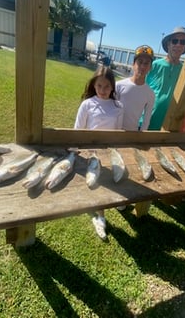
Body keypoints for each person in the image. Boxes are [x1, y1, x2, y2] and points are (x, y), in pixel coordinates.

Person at [74, 65, 123, 240]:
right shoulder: (87, 104)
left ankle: (116, 201)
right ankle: (100, 217)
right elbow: (78, 130)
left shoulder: (118, 106)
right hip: (91, 151)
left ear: (113, 87)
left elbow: (118, 132)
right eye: (99, 86)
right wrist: (76, 152)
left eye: (107, 86)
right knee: (99, 183)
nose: (103, 90)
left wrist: (114, 150)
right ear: (94, 85)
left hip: (109, 150)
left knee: (114, 180)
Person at [147, 26, 185, 130]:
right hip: (146, 119)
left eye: (182, 42)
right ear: (168, 44)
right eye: (175, 41)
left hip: (168, 122)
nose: (178, 45)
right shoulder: (154, 65)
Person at [115, 45, 155, 131]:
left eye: (146, 63)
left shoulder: (150, 94)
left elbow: (146, 120)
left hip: (132, 133)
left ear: (150, 67)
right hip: (114, 130)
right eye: (140, 62)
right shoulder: (118, 85)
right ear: (133, 65)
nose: (143, 66)